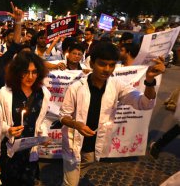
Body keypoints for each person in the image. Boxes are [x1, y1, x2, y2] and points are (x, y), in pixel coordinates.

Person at [59, 42, 165, 186]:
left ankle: (75, 176)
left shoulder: (116, 85)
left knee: (88, 162)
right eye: (102, 64)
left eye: (111, 65)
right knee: (70, 183)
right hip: (74, 141)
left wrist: (150, 80)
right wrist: (76, 124)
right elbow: (63, 116)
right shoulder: (76, 88)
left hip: (96, 142)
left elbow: (144, 103)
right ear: (92, 63)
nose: (107, 69)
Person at [0, 51, 50, 185]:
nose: (30, 77)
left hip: (30, 151)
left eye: (34, 72)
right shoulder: (5, 93)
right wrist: (8, 129)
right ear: (17, 72)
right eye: (25, 72)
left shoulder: (43, 93)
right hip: (10, 152)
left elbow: (41, 121)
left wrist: (43, 135)